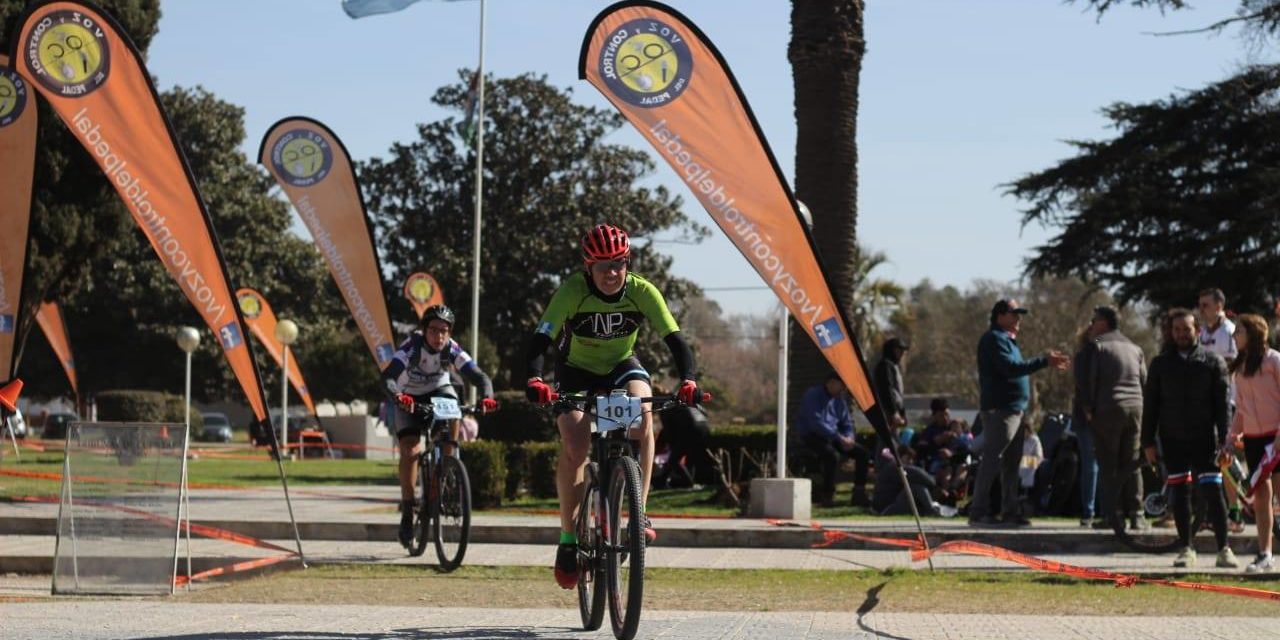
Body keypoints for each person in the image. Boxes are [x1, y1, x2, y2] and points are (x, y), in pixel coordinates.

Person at [524, 223, 700, 590]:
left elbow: (676, 340)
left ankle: (640, 513)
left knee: (643, 416)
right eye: (602, 266)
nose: (611, 273)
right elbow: (542, 338)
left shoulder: (641, 291)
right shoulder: (572, 291)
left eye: (619, 263)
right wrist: (535, 379)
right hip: (575, 372)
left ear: (627, 262)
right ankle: (569, 539)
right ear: (587, 267)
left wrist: (689, 380)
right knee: (575, 446)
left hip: (622, 365)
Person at [382, 304, 498, 548]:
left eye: (444, 331)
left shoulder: (452, 348)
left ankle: (447, 468)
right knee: (410, 450)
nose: (440, 336)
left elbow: (480, 376)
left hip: (438, 391)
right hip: (409, 397)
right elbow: (389, 376)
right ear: (424, 330)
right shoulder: (411, 347)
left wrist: (487, 396)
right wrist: (398, 396)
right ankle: (407, 508)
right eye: (434, 330)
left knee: (454, 407)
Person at [1141, 308, 1236, 569]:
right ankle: (1186, 547)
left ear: (1197, 330)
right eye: (1177, 330)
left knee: (1213, 493)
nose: (1182, 334)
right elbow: (1150, 406)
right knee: (1179, 494)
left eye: (1187, 329)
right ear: (1171, 332)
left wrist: (1225, 441)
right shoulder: (1160, 364)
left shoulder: (1212, 362)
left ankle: (1224, 549)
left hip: (1206, 439)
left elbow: (1223, 406)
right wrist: (1147, 441)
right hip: (1172, 440)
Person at [969, 298, 1070, 527]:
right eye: (1014, 314)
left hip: (1014, 410)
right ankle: (978, 511)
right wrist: (1043, 361)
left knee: (1011, 462)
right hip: (1000, 411)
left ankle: (1010, 511)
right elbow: (1010, 368)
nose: (1018, 319)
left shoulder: (1009, 340)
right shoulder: (993, 339)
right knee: (992, 459)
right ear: (1000, 316)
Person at [1081, 305, 1148, 532]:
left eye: (1095, 320)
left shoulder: (1098, 346)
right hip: (1135, 408)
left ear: (1105, 323)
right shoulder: (1135, 347)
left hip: (1108, 408)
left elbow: (1090, 380)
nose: (1092, 324)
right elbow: (1144, 380)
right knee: (1132, 463)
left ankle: (1113, 514)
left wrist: (1088, 409)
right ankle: (1138, 515)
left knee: (1109, 464)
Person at [1225, 313, 1280, 573]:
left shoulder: (1274, 361)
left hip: (1277, 438)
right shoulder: (1239, 367)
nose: (1235, 336)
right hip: (1254, 440)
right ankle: (1264, 554)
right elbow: (1241, 409)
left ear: (1254, 334)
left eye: (1239, 332)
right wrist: (1231, 437)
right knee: (1261, 497)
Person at [1198, 287, 1245, 533]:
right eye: (1200, 305)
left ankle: (1235, 513)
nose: (1201, 309)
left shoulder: (1228, 332)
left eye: (1206, 305)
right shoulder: (1203, 331)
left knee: (1224, 455)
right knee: (1214, 457)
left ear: (1219, 306)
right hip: (1208, 401)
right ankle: (1215, 512)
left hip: (1228, 401)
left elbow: (1233, 365)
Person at [794, 372, 872, 508]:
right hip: (812, 435)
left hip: (835, 436)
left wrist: (849, 438)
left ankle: (859, 493)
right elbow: (816, 423)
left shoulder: (839, 400)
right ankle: (827, 495)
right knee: (831, 455)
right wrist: (839, 437)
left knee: (862, 453)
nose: (843, 390)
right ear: (831, 383)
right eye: (841, 386)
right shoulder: (813, 395)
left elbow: (847, 423)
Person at [1071, 323, 1101, 526]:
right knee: (1091, 466)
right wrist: (1088, 410)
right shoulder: (1085, 354)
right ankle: (1089, 511)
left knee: (1098, 466)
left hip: (1102, 414)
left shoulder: (1104, 352)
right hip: (1087, 417)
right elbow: (1082, 385)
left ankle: (1101, 509)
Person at [874, 337, 909, 443]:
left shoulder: (893, 366)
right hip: (886, 411)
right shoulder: (885, 366)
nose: (902, 353)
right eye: (899, 350)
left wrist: (901, 412)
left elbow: (897, 395)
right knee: (887, 444)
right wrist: (893, 412)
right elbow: (886, 389)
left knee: (893, 443)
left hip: (893, 410)